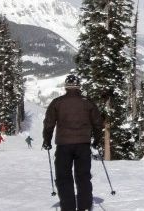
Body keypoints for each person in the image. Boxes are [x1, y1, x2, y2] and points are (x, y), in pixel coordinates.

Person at [43, 74, 103, 211]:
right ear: (79, 86)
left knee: (63, 177)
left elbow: (49, 123)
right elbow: (98, 123)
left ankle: (68, 207)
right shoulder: (88, 102)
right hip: (83, 144)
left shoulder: (57, 102)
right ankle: (85, 207)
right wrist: (97, 140)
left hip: (64, 145)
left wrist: (47, 140)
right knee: (83, 176)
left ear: (66, 86)